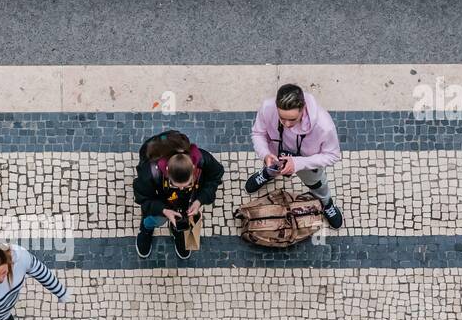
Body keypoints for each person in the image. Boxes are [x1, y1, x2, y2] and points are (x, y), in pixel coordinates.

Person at [245, 83, 344, 229]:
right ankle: (268, 173)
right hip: (276, 154)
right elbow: (258, 133)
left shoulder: (324, 126)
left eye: (292, 119)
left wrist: (298, 163)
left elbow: (332, 155)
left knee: (317, 185)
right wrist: (265, 154)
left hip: (307, 164)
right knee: (271, 167)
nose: (286, 124)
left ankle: (326, 203)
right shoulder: (267, 108)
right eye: (281, 118)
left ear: (303, 108)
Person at [132, 130, 224, 260]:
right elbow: (144, 199)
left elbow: (215, 177)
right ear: (167, 171)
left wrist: (199, 201)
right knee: (154, 219)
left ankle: (178, 231)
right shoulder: (150, 173)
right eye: (175, 185)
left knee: (187, 219)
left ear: (193, 168)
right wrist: (164, 211)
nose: (181, 188)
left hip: (188, 202)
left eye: (187, 184)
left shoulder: (203, 159)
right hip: (163, 202)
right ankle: (146, 230)